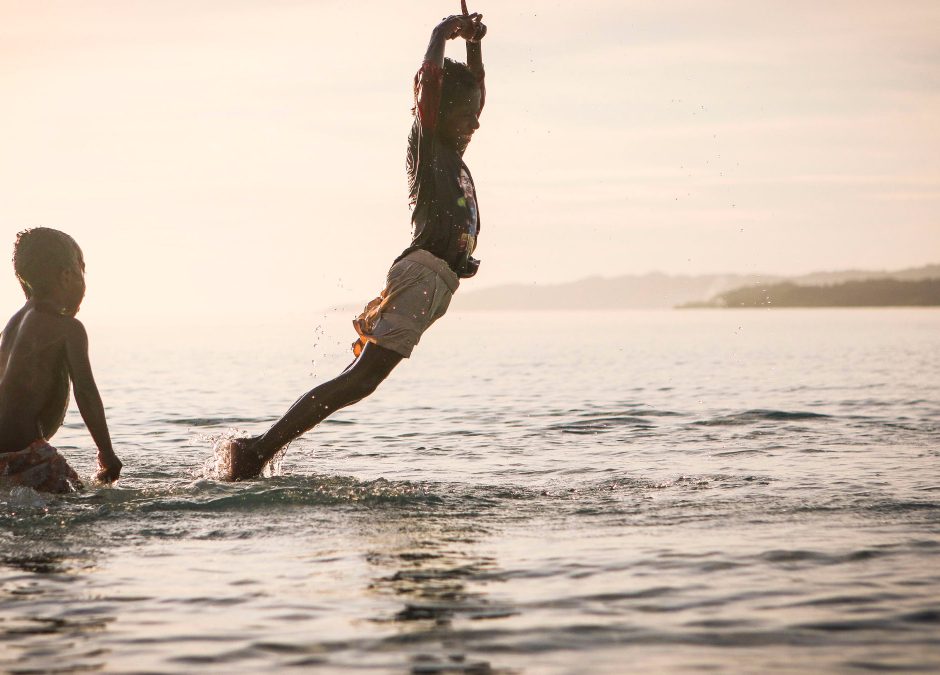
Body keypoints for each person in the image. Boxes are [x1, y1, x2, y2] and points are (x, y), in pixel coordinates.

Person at [224, 10, 488, 480]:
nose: (476, 122)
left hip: (437, 283)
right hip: (422, 274)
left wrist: (473, 47)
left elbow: (474, 93)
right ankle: (258, 451)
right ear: (438, 112)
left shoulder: (452, 150)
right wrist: (438, 37)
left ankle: (259, 450)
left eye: (475, 114)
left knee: (360, 381)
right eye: (465, 114)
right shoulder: (430, 146)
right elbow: (429, 85)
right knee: (360, 380)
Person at [0, 228, 122, 492]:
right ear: (67, 275)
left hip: (4, 455)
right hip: (27, 453)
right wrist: (106, 453)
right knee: (85, 501)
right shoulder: (67, 329)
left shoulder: (12, 325)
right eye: (82, 272)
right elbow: (86, 392)